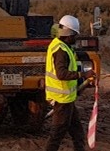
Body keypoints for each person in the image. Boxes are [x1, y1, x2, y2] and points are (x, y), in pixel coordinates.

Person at [44, 14, 89, 151]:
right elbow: (62, 74)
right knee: (57, 135)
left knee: (78, 133)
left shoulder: (64, 46)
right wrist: (82, 74)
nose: (75, 38)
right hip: (61, 100)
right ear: (68, 34)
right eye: (74, 35)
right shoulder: (60, 50)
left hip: (67, 99)